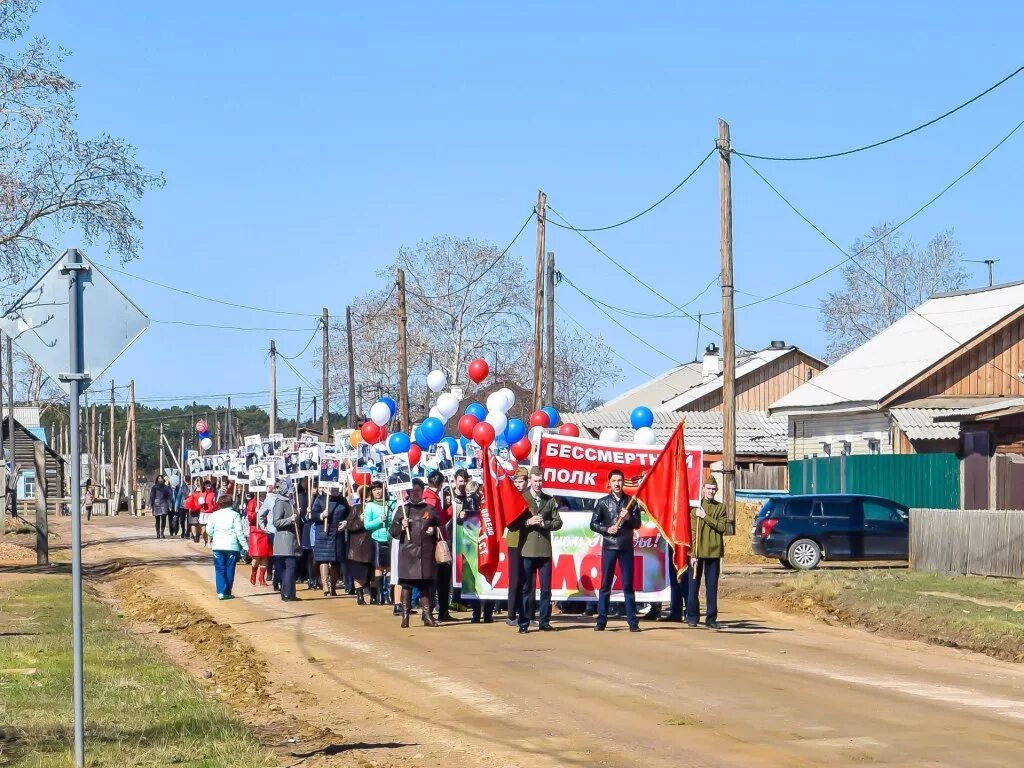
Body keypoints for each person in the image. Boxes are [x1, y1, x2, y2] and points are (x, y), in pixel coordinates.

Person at [590, 469, 642, 632]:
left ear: (623, 482)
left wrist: (628, 518)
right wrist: (606, 529)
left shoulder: (631, 501)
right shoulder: (603, 502)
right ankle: (601, 620)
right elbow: (593, 523)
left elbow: (638, 524)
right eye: (614, 481)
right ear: (609, 483)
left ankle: (633, 622)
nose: (617, 483)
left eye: (620, 480)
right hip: (609, 546)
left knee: (628, 584)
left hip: (626, 547)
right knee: (605, 585)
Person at [515, 466, 562, 634]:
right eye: (535, 481)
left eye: (540, 481)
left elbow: (558, 522)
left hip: (544, 550)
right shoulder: (522, 498)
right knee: (527, 588)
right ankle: (524, 622)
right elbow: (513, 524)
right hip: (527, 549)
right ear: (530, 481)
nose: (538, 484)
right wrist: (529, 522)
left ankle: (544, 621)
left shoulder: (549, 500)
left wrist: (545, 524)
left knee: (546, 588)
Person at [389, 479, 442, 628]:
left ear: (422, 491)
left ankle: (427, 615)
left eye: (418, 490)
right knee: (407, 585)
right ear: (408, 492)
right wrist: (401, 526)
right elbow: (392, 532)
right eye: (413, 490)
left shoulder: (430, 509)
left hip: (425, 554)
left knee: (425, 585)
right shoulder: (403, 510)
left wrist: (434, 530)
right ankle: (405, 616)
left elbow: (441, 526)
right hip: (408, 554)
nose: (415, 493)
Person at [686, 476, 727, 629]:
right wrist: (692, 554)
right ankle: (692, 617)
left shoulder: (720, 507)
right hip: (697, 553)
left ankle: (711, 619)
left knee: (712, 587)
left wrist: (705, 517)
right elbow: (693, 532)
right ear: (703, 489)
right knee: (693, 587)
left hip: (714, 552)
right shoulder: (695, 508)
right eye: (708, 488)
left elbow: (722, 527)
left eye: (713, 489)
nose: (710, 491)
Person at [456, 479, 496, 623]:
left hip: (483, 543)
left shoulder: (488, 503)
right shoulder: (467, 504)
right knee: (473, 579)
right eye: (468, 494)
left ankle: (486, 613)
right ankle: (478, 613)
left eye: (473, 493)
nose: (471, 497)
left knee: (486, 578)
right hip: (471, 545)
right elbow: (460, 521)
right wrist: (460, 517)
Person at [205, 494, 248, 599]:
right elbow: (239, 532)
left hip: (218, 546)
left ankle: (221, 592)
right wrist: (245, 545)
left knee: (219, 569)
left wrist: (215, 535)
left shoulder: (214, 515)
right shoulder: (235, 515)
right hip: (231, 546)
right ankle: (227, 592)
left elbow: (208, 530)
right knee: (230, 569)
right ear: (231, 503)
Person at [346, 486, 382, 604]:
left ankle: (374, 595)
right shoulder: (356, 508)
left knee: (373, 571)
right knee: (359, 572)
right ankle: (360, 596)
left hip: (373, 541)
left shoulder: (377, 507)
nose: (368, 498)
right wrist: (360, 520)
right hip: (359, 546)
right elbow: (350, 526)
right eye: (366, 496)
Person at [426, 470, 454, 621]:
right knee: (437, 579)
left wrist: (450, 510)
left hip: (438, 540)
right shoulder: (431, 499)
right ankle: (430, 611)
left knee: (442, 578)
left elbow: (441, 518)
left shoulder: (433, 498)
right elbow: (432, 521)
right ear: (441, 483)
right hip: (435, 543)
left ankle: (442, 611)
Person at [363, 481, 395, 607]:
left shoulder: (390, 503)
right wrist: (379, 520)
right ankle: (380, 594)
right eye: (375, 489)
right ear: (371, 491)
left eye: (379, 489)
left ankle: (389, 594)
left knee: (389, 567)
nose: (377, 491)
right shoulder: (369, 505)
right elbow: (367, 525)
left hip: (389, 538)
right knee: (379, 567)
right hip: (376, 538)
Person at [313, 487, 349, 596]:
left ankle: (333, 587)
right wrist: (321, 515)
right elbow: (312, 515)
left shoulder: (342, 500)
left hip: (338, 533)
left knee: (335, 561)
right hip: (324, 532)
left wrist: (346, 522)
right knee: (323, 559)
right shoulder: (320, 499)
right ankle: (325, 584)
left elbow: (349, 514)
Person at [505, 467, 529, 626]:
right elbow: (510, 521)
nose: (518, 484)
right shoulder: (512, 498)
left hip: (529, 542)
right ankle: (511, 613)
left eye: (521, 481)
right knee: (515, 578)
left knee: (527, 579)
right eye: (517, 481)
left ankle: (526, 613)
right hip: (515, 541)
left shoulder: (530, 497)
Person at [271, 488, 302, 601]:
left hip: (292, 540)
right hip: (284, 541)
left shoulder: (291, 502)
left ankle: (288, 593)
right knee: (289, 567)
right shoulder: (280, 503)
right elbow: (276, 522)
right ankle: (288, 593)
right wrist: (290, 519)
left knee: (290, 568)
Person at [246, 493, 271, 586]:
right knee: (256, 556)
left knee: (265, 555)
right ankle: (253, 573)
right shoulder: (252, 503)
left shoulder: (268, 501)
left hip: (265, 530)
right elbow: (249, 518)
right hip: (255, 531)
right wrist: (255, 513)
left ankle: (262, 577)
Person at [305, 485, 324, 591]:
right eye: (318, 488)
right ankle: (312, 579)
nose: (320, 490)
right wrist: (308, 512)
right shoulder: (311, 500)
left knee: (322, 559)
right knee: (313, 558)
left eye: (322, 487)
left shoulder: (327, 500)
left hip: (324, 532)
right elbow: (305, 519)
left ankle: (321, 579)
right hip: (313, 533)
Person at [149, 474, 173, 539]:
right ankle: (158, 533)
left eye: (161, 478)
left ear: (163, 480)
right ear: (157, 479)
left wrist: (170, 505)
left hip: (164, 504)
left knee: (164, 519)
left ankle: (162, 532)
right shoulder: (154, 487)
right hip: (156, 504)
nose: (160, 480)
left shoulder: (166, 487)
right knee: (157, 520)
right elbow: (152, 496)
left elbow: (169, 497)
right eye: (159, 478)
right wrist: (151, 505)